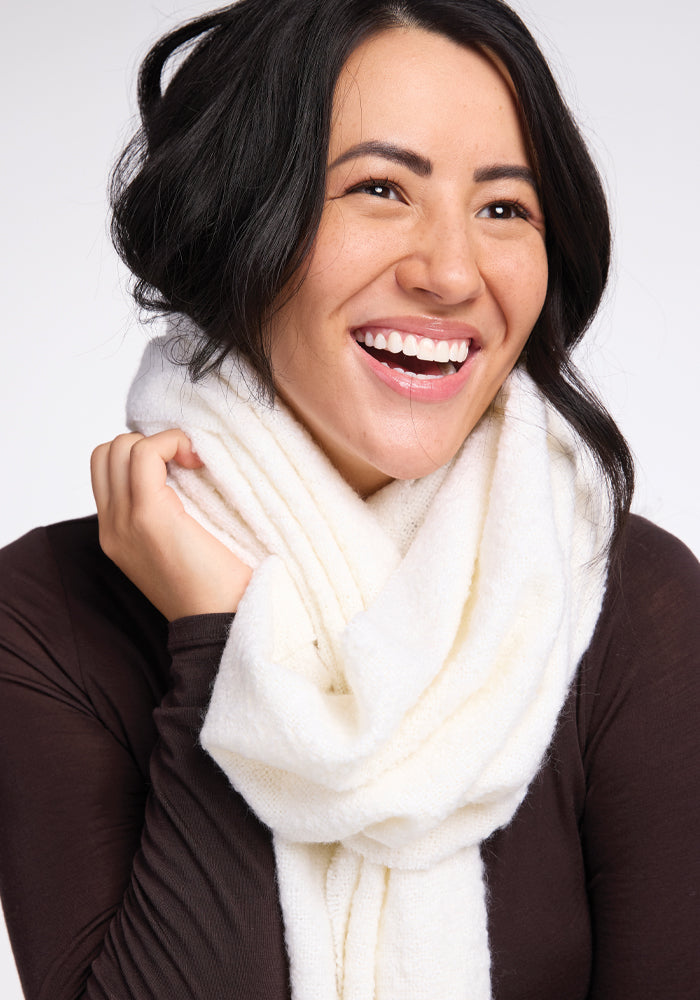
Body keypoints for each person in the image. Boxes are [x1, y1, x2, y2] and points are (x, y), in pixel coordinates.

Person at [0, 0, 698, 997]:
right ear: (236, 218)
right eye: (379, 188)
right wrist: (224, 639)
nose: (452, 272)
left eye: (504, 207)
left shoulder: (634, 608)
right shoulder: (44, 614)